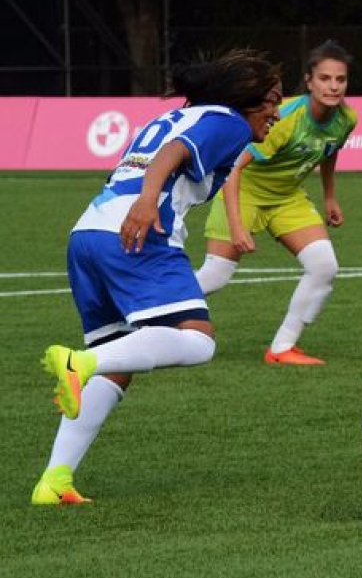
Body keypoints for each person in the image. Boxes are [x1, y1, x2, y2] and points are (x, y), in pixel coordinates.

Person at [31, 49, 283, 505]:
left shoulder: (178, 115)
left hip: (88, 233)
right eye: (270, 100)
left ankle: (55, 480)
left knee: (118, 364)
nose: (277, 111)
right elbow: (173, 154)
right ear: (243, 98)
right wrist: (148, 202)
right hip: (137, 232)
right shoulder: (228, 121)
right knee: (199, 341)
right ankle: (78, 363)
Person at [194, 40, 358, 365]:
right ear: (310, 81)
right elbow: (234, 169)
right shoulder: (285, 117)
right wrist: (239, 227)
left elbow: (329, 150)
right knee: (215, 276)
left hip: (287, 198)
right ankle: (141, 314)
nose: (333, 86)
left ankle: (282, 348)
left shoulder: (347, 119)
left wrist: (329, 196)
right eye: (325, 78)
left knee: (324, 267)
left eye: (340, 79)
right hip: (244, 191)